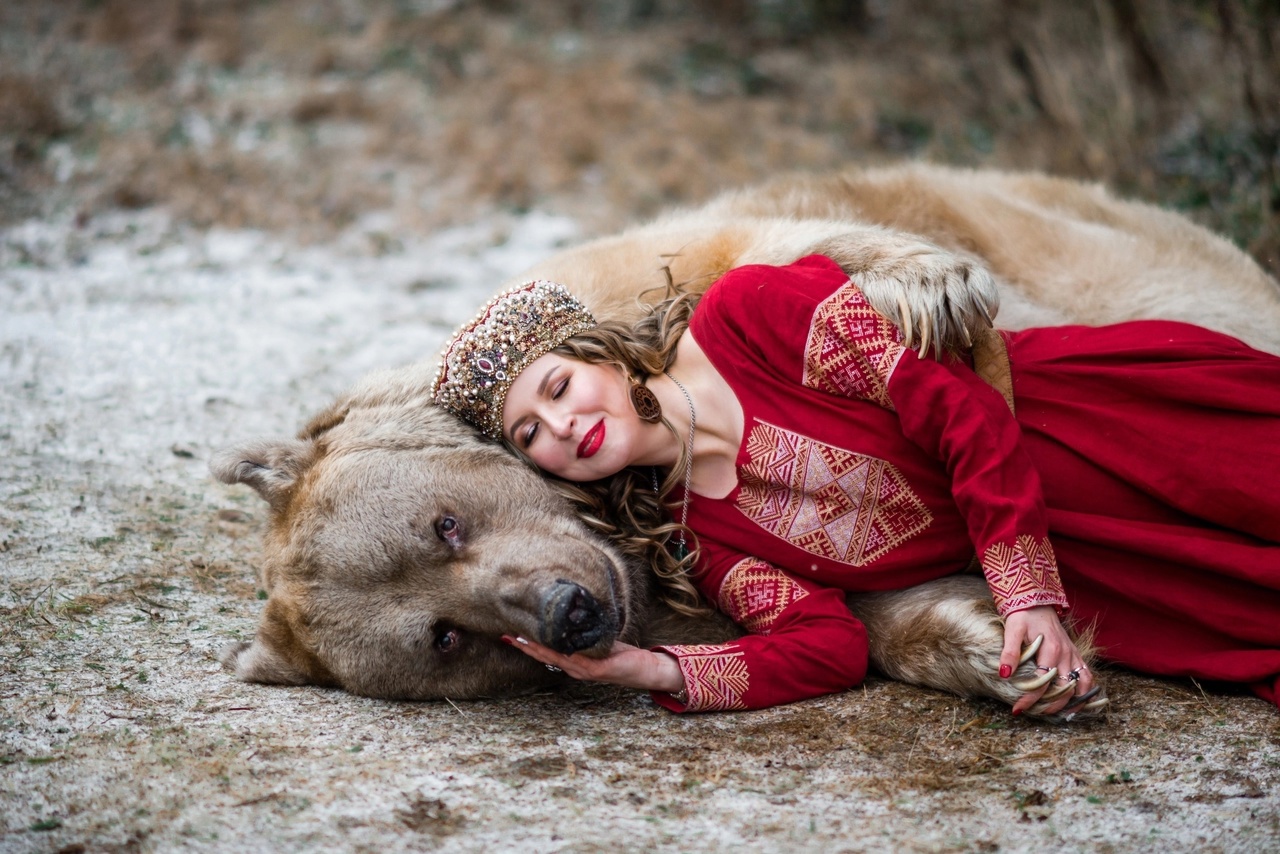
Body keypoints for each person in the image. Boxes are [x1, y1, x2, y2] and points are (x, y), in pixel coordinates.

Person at [431, 255, 1280, 715]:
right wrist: (648, 669)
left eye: (556, 387)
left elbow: (959, 413)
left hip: (1093, 427)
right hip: (1106, 561)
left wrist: (1025, 597)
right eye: (529, 435)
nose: (563, 426)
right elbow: (828, 645)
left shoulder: (747, 312)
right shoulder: (704, 537)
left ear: (596, 353)